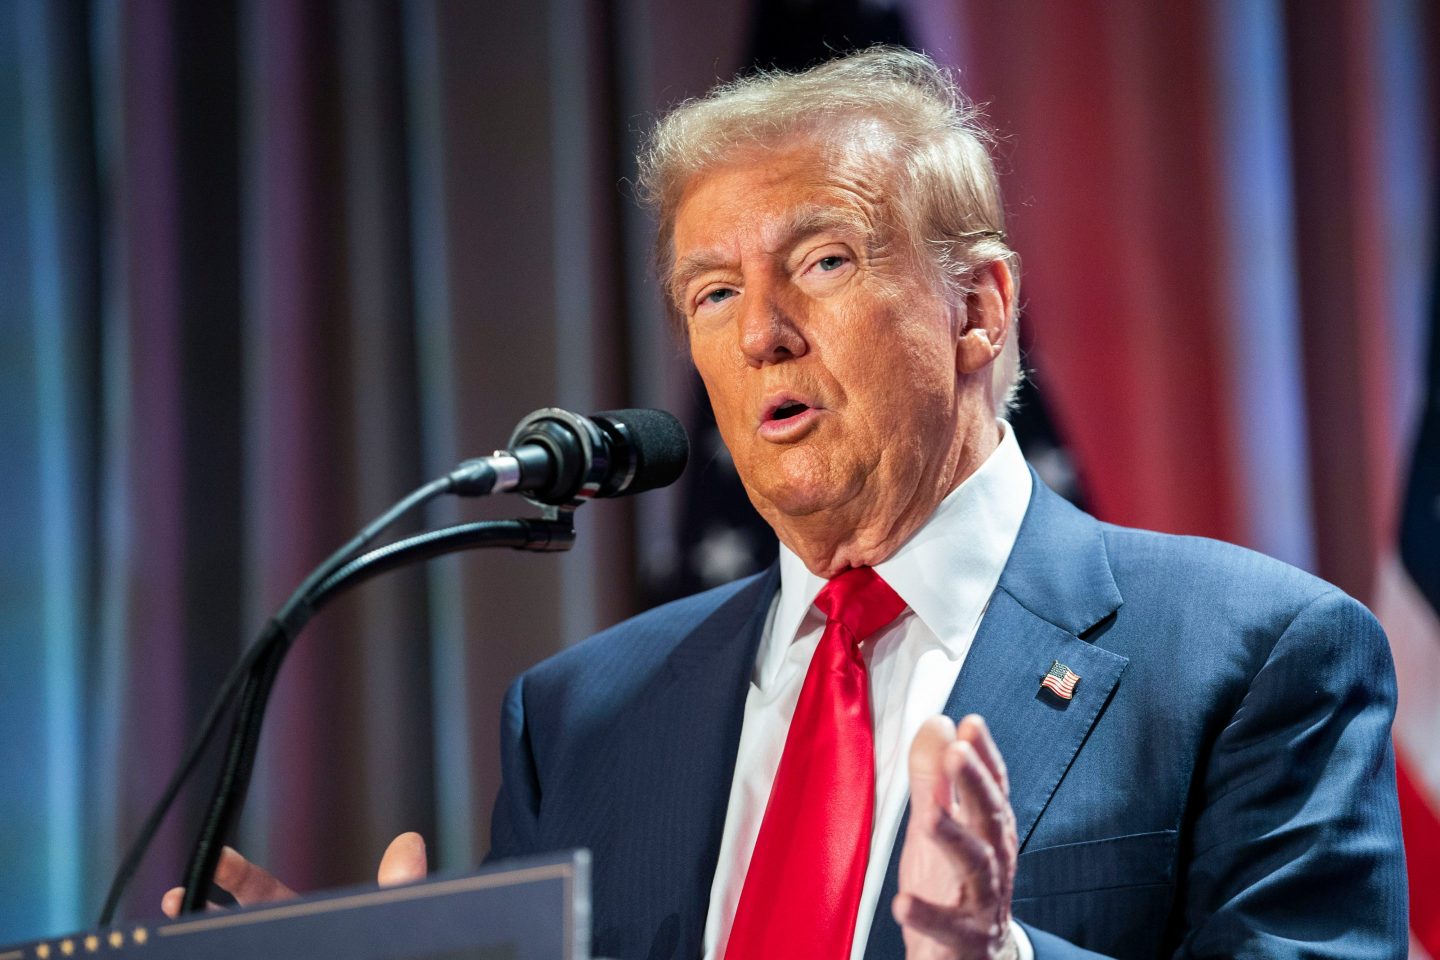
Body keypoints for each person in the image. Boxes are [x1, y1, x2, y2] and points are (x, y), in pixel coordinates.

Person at [165, 47, 1408, 959]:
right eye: (711, 293)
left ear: (977, 308)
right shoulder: (580, 719)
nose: (760, 332)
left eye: (822, 262)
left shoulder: (1252, 658)